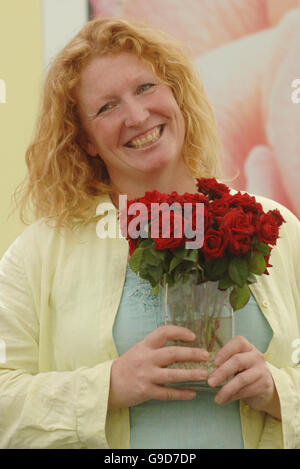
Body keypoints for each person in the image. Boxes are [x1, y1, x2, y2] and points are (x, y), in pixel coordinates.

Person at [0, 17, 299, 449]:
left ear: (175, 94)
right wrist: (107, 388)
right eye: (107, 107)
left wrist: (277, 392)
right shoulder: (40, 253)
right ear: (84, 139)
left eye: (146, 88)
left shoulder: (278, 229)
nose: (137, 116)